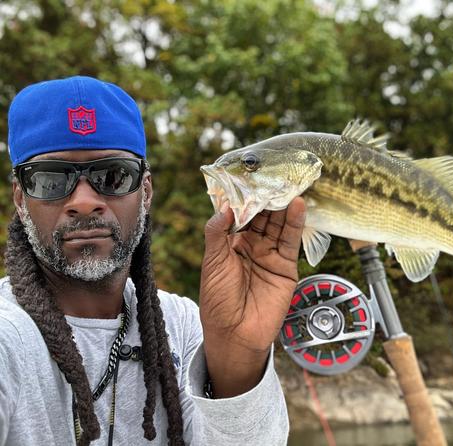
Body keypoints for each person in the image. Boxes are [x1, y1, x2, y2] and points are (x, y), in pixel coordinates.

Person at [0, 76, 306, 445]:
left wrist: (238, 355)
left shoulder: (185, 327)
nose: (83, 200)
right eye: (50, 180)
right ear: (20, 198)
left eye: (112, 176)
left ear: (145, 192)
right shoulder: (7, 337)